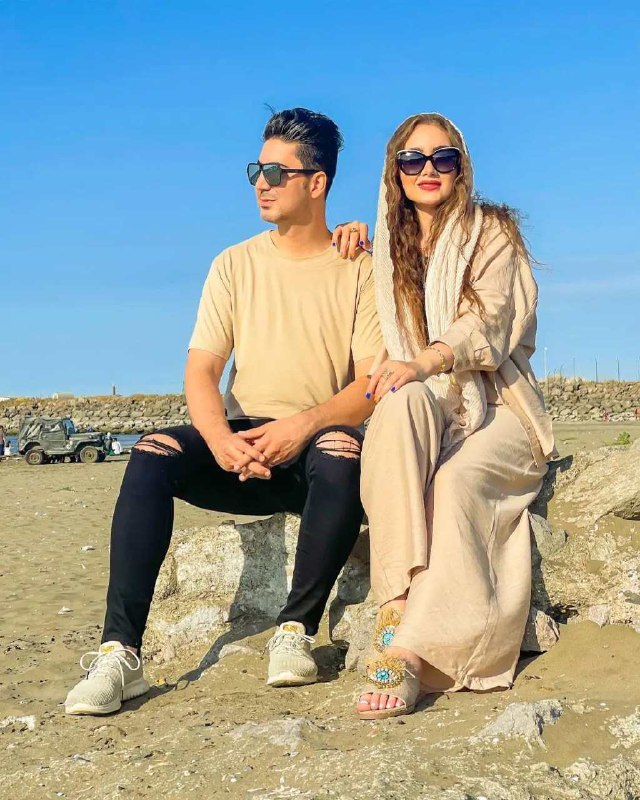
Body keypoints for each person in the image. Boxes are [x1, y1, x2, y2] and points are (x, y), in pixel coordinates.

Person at [64, 108, 382, 716]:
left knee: (342, 447)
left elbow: (369, 384)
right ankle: (119, 654)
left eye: (276, 172)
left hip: (316, 454)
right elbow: (202, 369)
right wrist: (219, 439)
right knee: (150, 453)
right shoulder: (232, 264)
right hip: (239, 449)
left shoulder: (362, 267)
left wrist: (302, 426)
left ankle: (296, 631)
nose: (261, 183)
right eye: (255, 171)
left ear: (317, 182)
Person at [334, 113, 556, 719]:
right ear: (395, 171)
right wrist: (348, 236)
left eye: (443, 157)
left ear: (462, 166)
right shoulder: (389, 249)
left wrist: (426, 360)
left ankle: (410, 654)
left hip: (500, 404)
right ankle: (395, 604)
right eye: (412, 159)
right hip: (430, 401)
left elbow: (489, 322)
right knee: (397, 404)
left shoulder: (492, 233)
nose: (427, 169)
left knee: (455, 480)